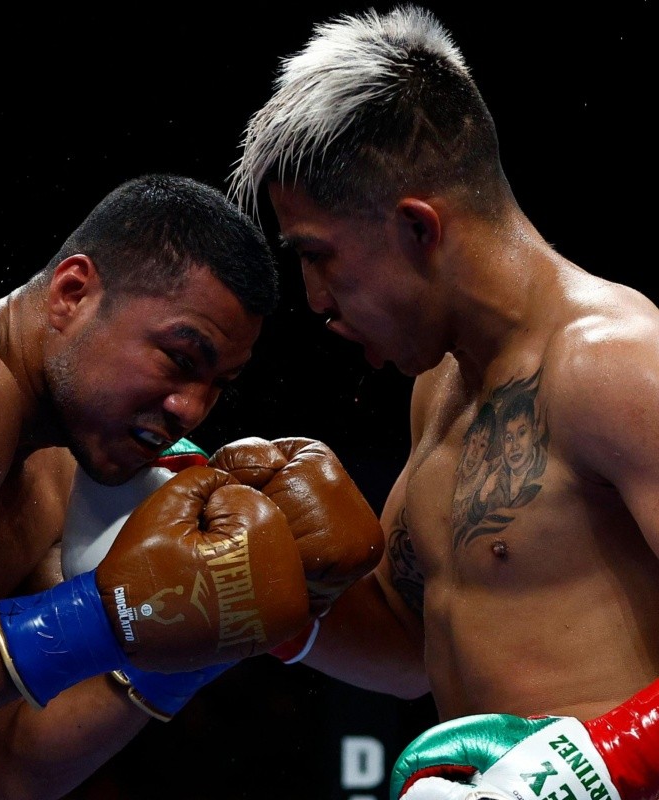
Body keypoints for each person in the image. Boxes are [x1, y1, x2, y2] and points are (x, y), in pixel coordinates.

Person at [226, 5, 659, 798]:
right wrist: (269, 603)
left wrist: (602, 762)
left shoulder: (617, 364)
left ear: (418, 227)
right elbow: (407, 646)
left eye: (318, 256)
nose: (315, 301)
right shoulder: (440, 388)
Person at [0, 172, 386, 799]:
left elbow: (21, 764)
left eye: (219, 383)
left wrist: (218, 626)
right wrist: (107, 619)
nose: (192, 409)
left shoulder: (67, 466)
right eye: (180, 359)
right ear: (72, 293)